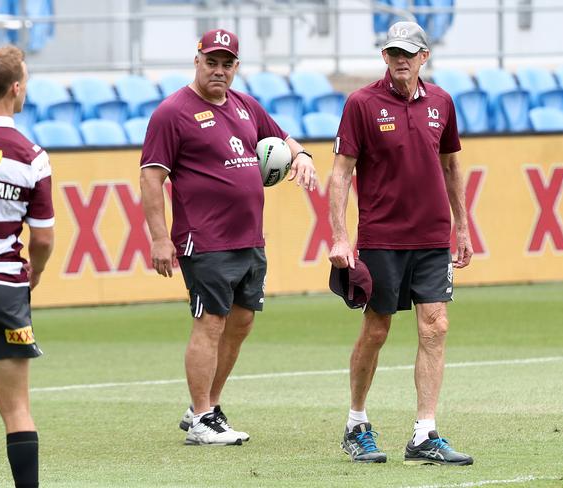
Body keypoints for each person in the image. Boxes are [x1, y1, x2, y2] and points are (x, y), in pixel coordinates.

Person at [139, 28, 317, 446]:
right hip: (204, 239)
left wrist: (303, 156)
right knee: (210, 323)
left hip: (249, 238)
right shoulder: (173, 112)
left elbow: (283, 139)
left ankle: (207, 406)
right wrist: (160, 238)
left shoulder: (245, 105)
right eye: (211, 62)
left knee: (242, 322)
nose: (219, 70)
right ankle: (202, 417)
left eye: (227, 63)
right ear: (196, 61)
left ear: (236, 67)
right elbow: (151, 178)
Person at [328, 21, 474, 465]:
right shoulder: (361, 103)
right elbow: (340, 174)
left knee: (436, 326)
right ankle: (357, 423)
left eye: (408, 53)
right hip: (382, 238)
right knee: (377, 330)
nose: (400, 59)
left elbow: (451, 167)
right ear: (385, 57)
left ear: (424, 57)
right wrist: (339, 236)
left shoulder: (443, 103)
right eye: (393, 52)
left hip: (432, 238)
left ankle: (425, 432)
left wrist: (462, 227)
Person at [0, 46, 54, 487]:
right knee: (16, 407)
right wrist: (34, 272)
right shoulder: (32, 156)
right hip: (2, 288)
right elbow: (41, 237)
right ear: (16, 88)